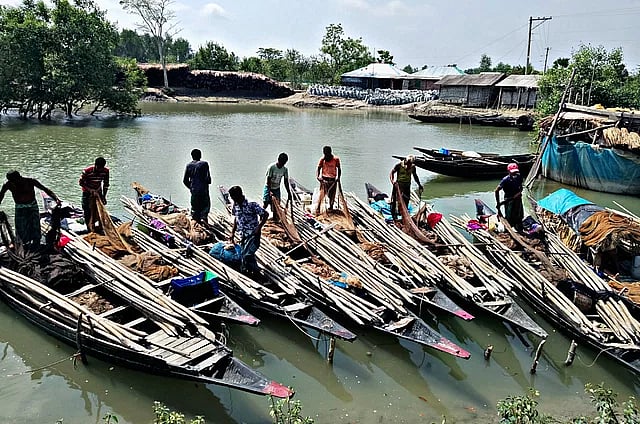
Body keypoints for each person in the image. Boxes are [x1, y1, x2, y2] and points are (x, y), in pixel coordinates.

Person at [0, 170, 60, 247]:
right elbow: (1, 196)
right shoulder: (8, 184)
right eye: (12, 181)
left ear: (19, 177)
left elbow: (45, 189)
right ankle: (23, 244)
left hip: (32, 206)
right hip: (20, 207)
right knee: (20, 227)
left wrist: (56, 198)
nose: (14, 183)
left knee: (35, 226)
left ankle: (36, 244)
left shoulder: (30, 181)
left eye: (15, 181)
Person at [228, 185, 268, 277]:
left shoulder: (251, 204)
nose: (233, 199)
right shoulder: (235, 205)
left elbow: (265, 214)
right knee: (245, 256)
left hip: (253, 235)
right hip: (243, 235)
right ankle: (251, 273)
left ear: (239, 195)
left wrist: (259, 227)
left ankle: (258, 273)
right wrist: (232, 233)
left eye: (234, 197)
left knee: (247, 255)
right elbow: (236, 219)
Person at [79, 157, 109, 232]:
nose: (99, 170)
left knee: (99, 210)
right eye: (98, 168)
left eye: (101, 169)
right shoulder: (87, 171)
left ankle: (99, 227)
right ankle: (89, 228)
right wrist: (90, 190)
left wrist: (104, 196)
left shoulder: (105, 171)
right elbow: (81, 183)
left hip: (98, 191)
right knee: (87, 210)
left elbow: (106, 184)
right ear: (95, 165)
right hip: (87, 192)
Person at [183, 149, 211, 224]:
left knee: (195, 209)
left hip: (194, 190)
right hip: (203, 190)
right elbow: (208, 179)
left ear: (192, 156)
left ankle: (197, 223)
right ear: (200, 155)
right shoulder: (204, 164)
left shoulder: (189, 165)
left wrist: (191, 188)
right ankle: (204, 220)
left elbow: (185, 180)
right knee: (205, 207)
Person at [389, 155, 422, 220]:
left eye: (410, 164)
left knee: (406, 199)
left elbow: (415, 176)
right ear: (406, 161)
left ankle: (404, 212)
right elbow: (392, 172)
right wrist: (392, 181)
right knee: (396, 199)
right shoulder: (399, 165)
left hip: (407, 185)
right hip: (399, 185)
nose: (409, 165)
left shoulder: (413, 167)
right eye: (408, 164)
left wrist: (419, 185)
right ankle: (395, 214)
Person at [495, 162, 524, 230]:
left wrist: (518, 194)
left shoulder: (519, 177)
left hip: (517, 198)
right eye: (512, 172)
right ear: (508, 171)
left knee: (519, 215)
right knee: (509, 215)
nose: (514, 173)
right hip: (508, 199)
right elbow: (496, 191)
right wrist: (498, 203)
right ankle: (510, 227)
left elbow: (521, 188)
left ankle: (518, 226)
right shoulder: (505, 180)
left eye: (515, 172)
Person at [263, 152, 292, 218]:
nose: (282, 164)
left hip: (276, 188)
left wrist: (289, 193)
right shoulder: (272, 167)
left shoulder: (285, 169)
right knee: (266, 203)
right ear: (278, 160)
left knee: (276, 205)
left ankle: (274, 219)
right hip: (269, 187)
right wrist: (269, 191)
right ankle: (261, 218)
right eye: (282, 163)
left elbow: (286, 182)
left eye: (284, 163)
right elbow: (268, 179)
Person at [316, 146, 341, 210]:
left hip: (332, 180)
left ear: (330, 153)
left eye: (327, 154)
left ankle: (331, 207)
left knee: (331, 195)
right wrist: (318, 177)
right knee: (322, 195)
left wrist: (338, 177)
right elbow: (318, 168)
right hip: (324, 180)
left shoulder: (336, 159)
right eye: (325, 154)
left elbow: (339, 169)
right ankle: (318, 208)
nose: (326, 156)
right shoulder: (322, 160)